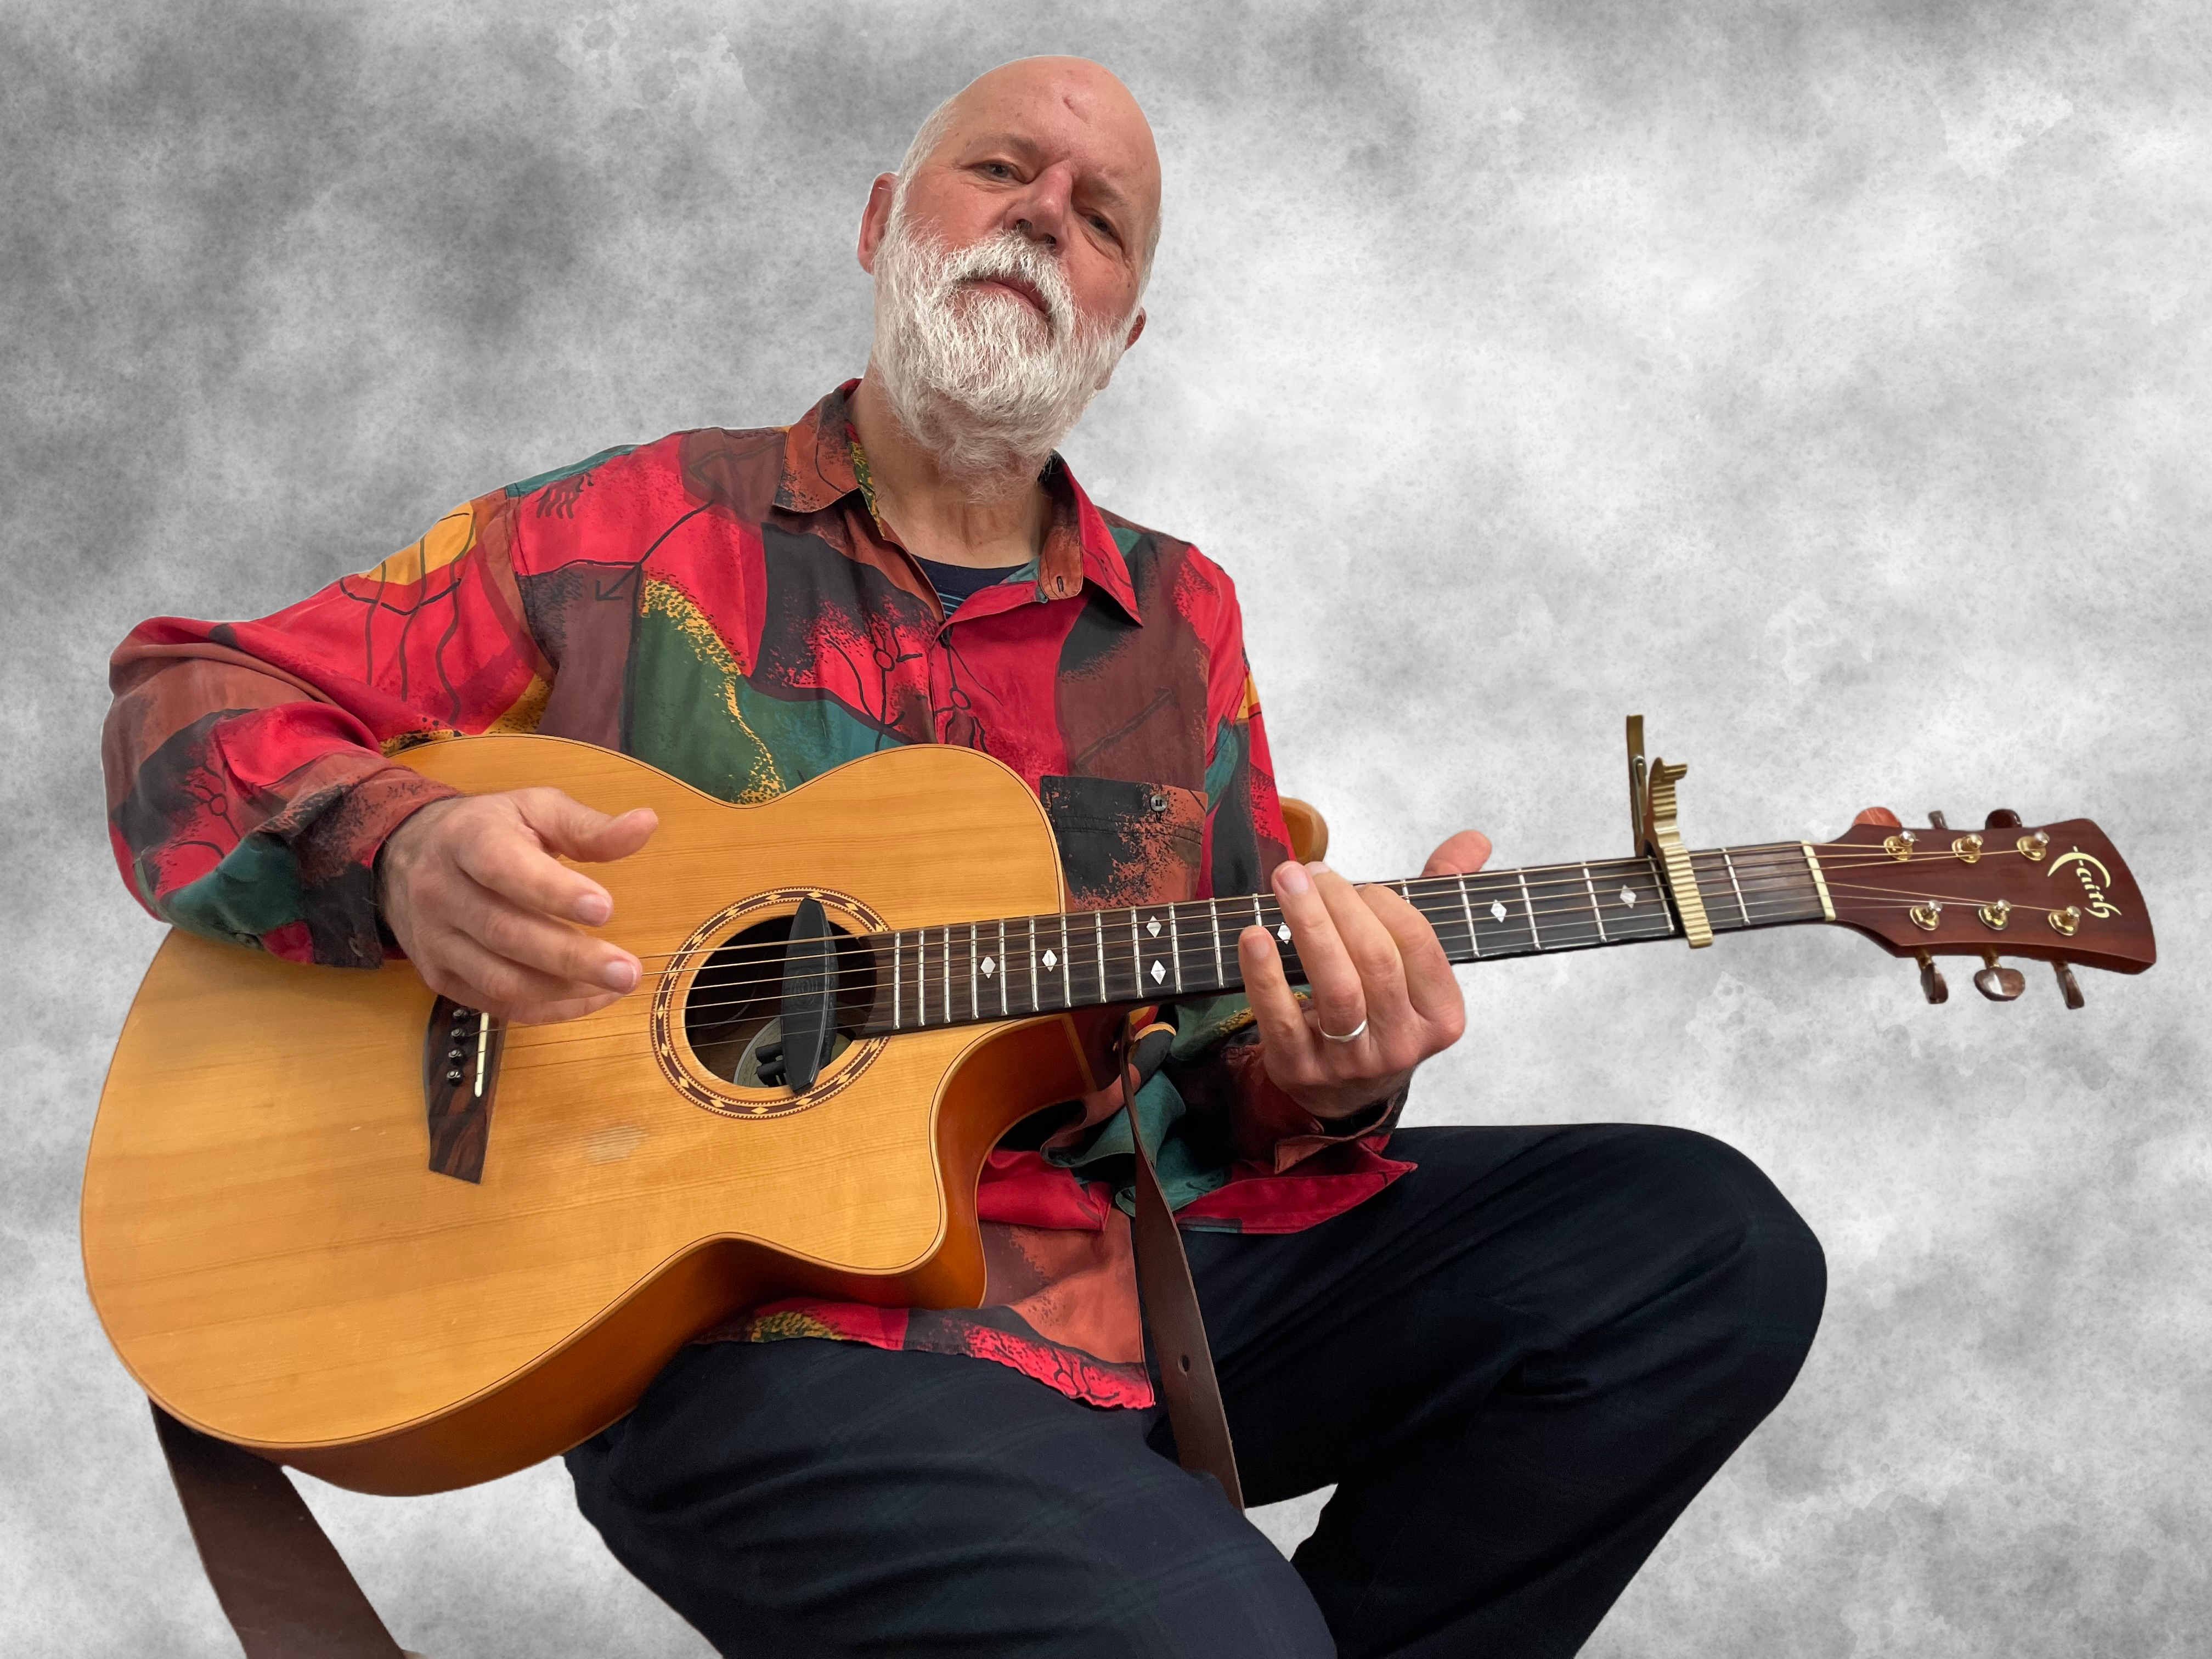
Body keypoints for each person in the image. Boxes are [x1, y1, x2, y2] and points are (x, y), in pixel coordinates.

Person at [100, 55, 1824, 1659]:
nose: (1044, 216)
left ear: (1124, 328)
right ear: (880, 225)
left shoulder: (1182, 623)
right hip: (761, 1335)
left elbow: (1222, 1087)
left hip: (1123, 1280)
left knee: (1705, 1251)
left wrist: (1331, 1077)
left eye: (1100, 217)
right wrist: (404, 851)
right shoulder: (626, 533)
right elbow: (192, 691)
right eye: (1001, 169)